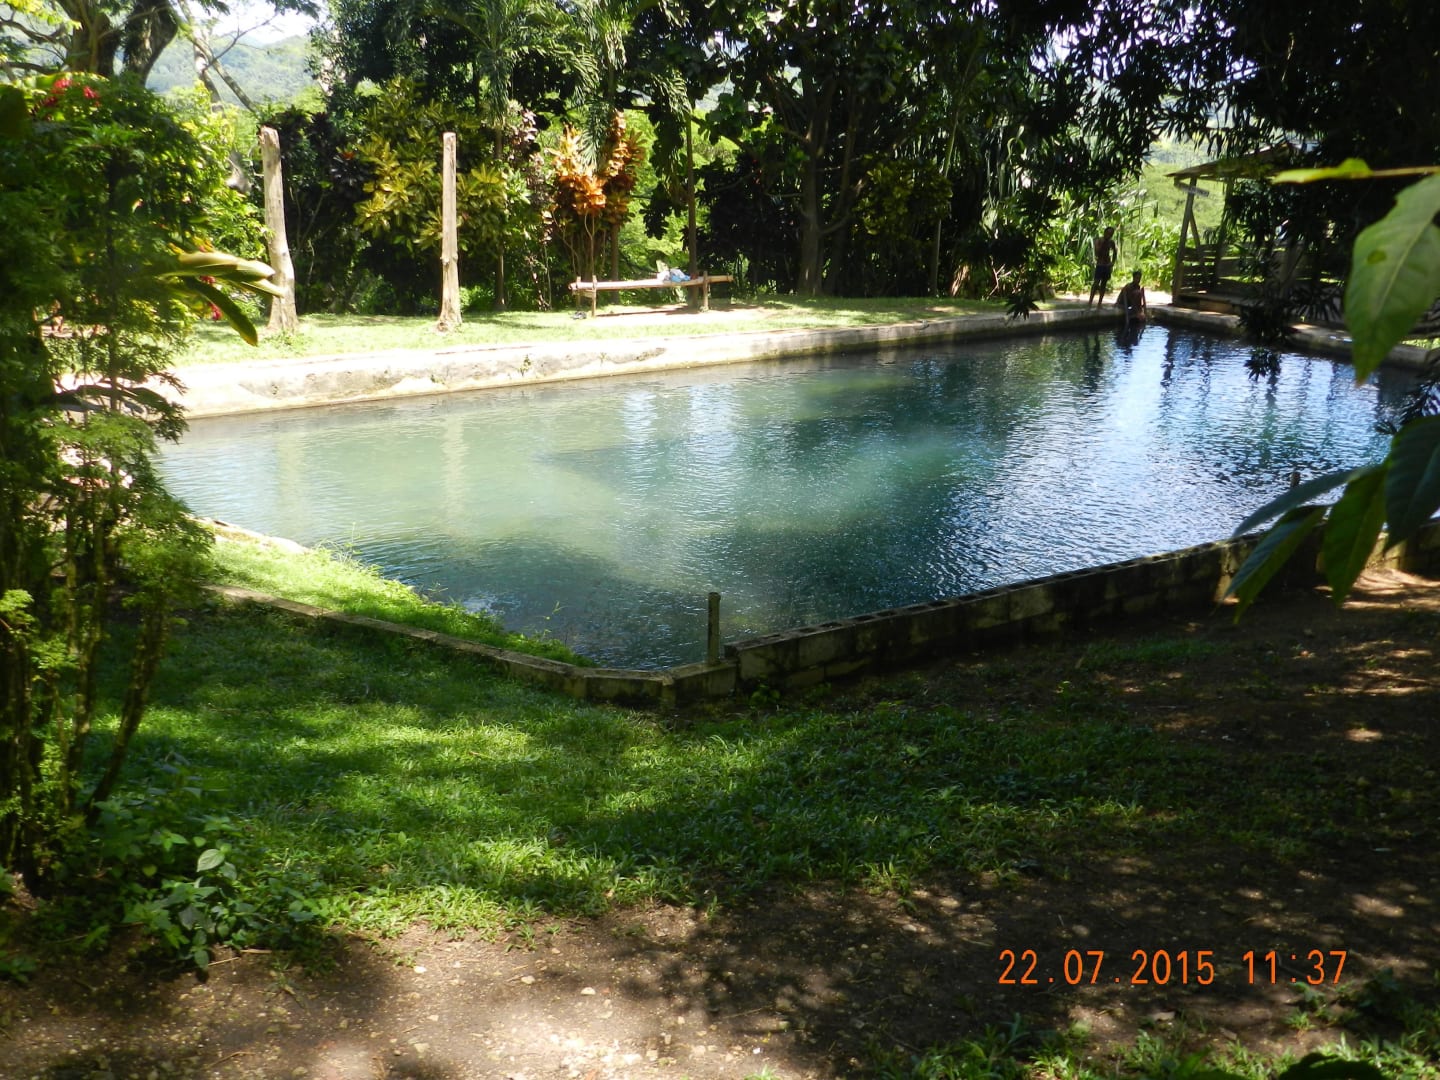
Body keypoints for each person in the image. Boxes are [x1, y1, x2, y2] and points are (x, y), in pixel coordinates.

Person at [1088, 226, 1118, 307]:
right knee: (1096, 283)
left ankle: (1099, 303)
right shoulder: (1099, 240)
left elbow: (1115, 251)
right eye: (1108, 233)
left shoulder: (1111, 242)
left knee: (1104, 284)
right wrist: (1103, 244)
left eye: (1111, 234)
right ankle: (1090, 302)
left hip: (1107, 265)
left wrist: (1112, 262)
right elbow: (1097, 253)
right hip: (1100, 264)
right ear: (1105, 233)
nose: (1109, 235)